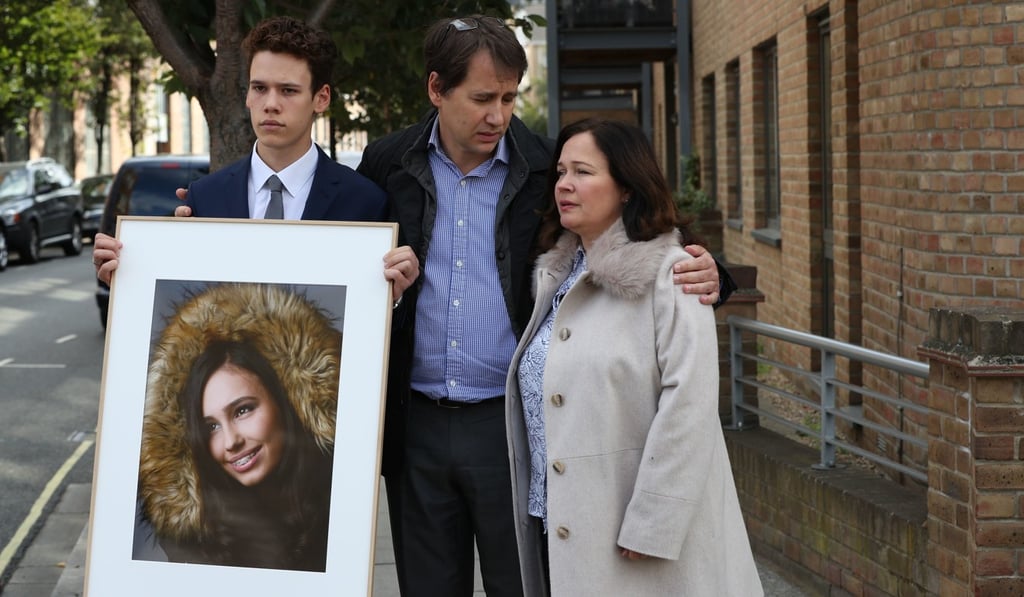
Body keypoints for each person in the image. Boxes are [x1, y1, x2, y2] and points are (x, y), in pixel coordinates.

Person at [356, 15, 733, 597]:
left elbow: (633, 225)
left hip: (511, 428)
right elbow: (335, 250)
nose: (498, 115)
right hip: (416, 427)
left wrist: (716, 275)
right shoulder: (386, 163)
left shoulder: (542, 165)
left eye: (508, 97)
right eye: (482, 98)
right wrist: (198, 223)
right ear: (436, 89)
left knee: (527, 584)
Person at [504, 118, 762, 596]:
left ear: (626, 187)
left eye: (583, 172)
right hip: (559, 523)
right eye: (560, 171)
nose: (565, 184)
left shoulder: (674, 274)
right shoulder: (556, 276)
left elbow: (691, 403)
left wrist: (654, 520)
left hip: (638, 535)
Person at [93, 16, 418, 302]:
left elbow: (378, 330)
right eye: (259, 88)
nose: (270, 104)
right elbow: (185, 307)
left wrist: (392, 298)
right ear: (247, 94)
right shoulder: (204, 198)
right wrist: (129, 279)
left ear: (321, 98)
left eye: (288, 91)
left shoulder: (366, 203)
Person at [136, 283, 342, 571]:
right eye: (211, 427)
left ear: (284, 400)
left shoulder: (344, 491)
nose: (231, 441)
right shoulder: (197, 536)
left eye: (243, 410)